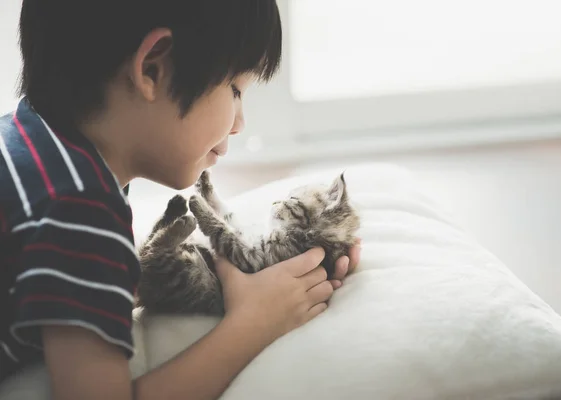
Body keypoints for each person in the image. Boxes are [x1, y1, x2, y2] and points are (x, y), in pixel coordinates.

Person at [0, 1, 361, 399]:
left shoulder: (31, 142)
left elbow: (70, 289)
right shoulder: (79, 211)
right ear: (153, 68)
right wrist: (255, 322)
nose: (240, 123)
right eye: (236, 90)